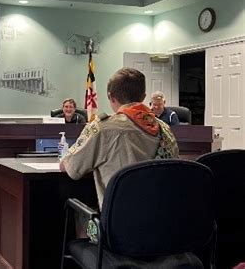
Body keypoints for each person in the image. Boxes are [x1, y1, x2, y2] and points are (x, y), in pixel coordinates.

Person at [60, 68, 179, 208]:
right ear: (143, 96)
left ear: (111, 97)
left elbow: (71, 167)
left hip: (121, 223)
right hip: (162, 220)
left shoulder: (103, 128)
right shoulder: (165, 129)